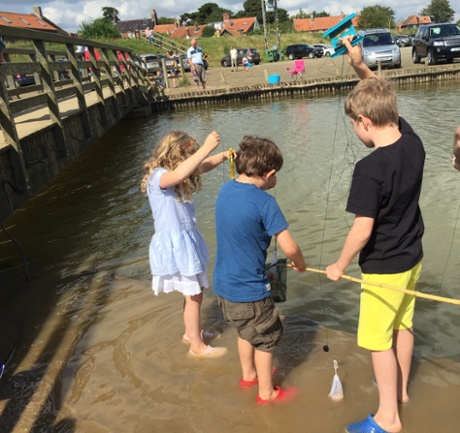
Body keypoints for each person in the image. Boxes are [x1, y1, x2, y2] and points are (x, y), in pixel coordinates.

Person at [325, 36, 425, 433]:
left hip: (383, 268)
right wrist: (359, 67)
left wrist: (338, 264)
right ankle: (400, 392)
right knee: (404, 325)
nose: (355, 131)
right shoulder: (413, 143)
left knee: (378, 340)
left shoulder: (368, 170)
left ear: (365, 122)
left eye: (355, 124)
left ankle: (388, 419)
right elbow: (386, 102)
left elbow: (362, 230)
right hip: (413, 259)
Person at [213, 136, 306, 404]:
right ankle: (267, 392)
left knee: (246, 331)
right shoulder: (266, 203)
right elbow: (289, 247)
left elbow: (240, 238)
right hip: (250, 292)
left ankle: (249, 375)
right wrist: (300, 262)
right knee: (266, 337)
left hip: (223, 287)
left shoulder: (225, 190)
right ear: (271, 173)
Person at [141, 131, 230, 359]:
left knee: (194, 291)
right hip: (175, 243)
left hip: (184, 238)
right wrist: (206, 147)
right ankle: (196, 347)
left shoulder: (175, 171)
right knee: (194, 294)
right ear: (175, 154)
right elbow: (182, 172)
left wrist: (222, 156)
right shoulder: (158, 176)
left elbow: (199, 166)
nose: (192, 162)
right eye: (188, 155)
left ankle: (190, 334)